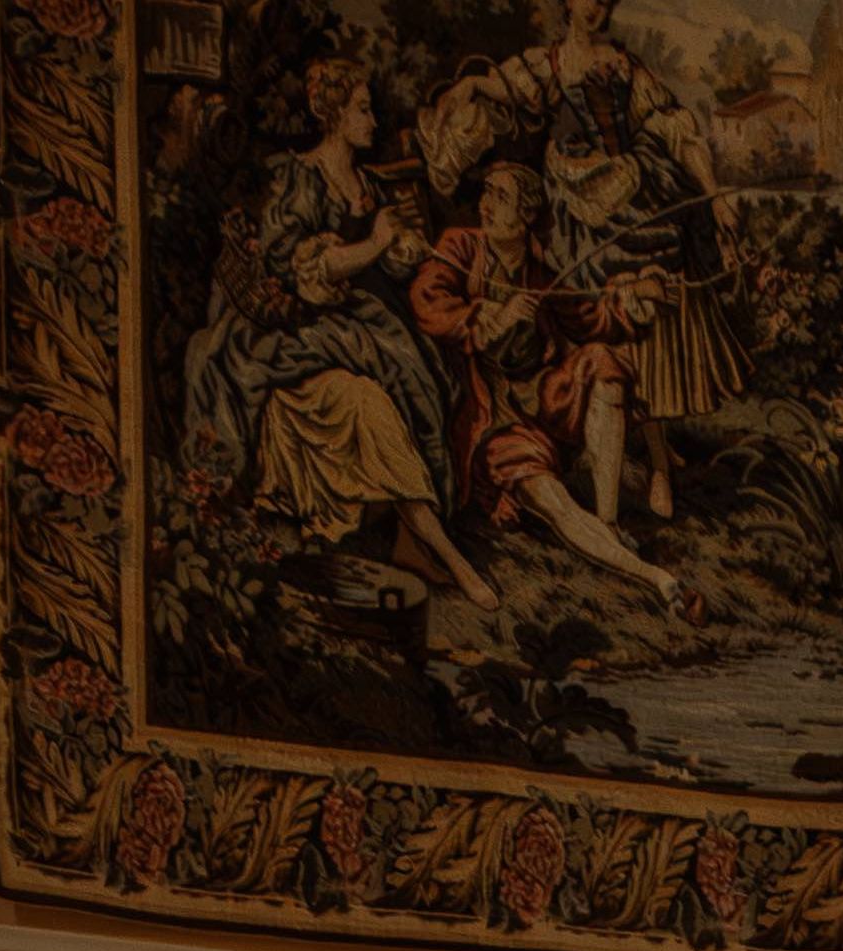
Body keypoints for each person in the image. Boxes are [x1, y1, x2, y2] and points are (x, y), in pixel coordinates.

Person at [181, 59, 502, 605]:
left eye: (370, 109)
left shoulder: (371, 184)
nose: (372, 121)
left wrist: (402, 250)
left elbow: (392, 266)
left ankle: (414, 539)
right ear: (332, 115)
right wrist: (374, 244)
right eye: (362, 109)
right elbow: (295, 268)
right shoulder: (295, 176)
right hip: (295, 324)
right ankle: (446, 553)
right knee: (372, 397)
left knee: (420, 371)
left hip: (352, 320)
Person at [433, 0, 742, 526]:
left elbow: (677, 129)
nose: (594, 7)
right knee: (593, 327)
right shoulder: (549, 63)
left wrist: (714, 195)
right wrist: (469, 87)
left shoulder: (622, 65)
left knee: (645, 324)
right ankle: (597, 452)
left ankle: (659, 463)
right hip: (573, 216)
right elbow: (505, 88)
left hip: (630, 203)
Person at [410, 160, 693, 601]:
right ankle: (655, 578)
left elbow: (589, 318)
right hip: (494, 418)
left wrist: (637, 294)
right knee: (554, 502)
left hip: (545, 398)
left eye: (500, 196)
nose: (485, 205)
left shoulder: (541, 268)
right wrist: (492, 316)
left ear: (526, 214)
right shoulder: (460, 247)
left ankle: (608, 522)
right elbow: (427, 302)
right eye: (486, 192)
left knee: (602, 362)